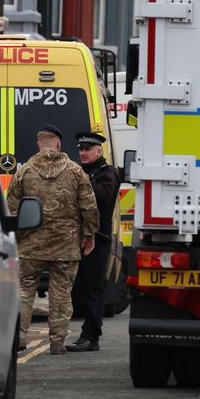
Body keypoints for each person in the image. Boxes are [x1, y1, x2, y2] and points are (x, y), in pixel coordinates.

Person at [7, 124, 99, 355]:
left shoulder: (24, 171)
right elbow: (89, 206)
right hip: (66, 246)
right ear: (58, 143)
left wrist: (15, 237)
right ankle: (57, 343)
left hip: (30, 245)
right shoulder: (76, 171)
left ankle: (18, 337)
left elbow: (11, 208)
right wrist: (89, 235)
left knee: (24, 290)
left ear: (40, 143)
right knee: (61, 293)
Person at [68, 131, 121, 353]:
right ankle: (85, 334)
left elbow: (104, 197)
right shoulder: (83, 172)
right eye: (81, 149)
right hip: (78, 237)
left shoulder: (107, 173)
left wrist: (83, 181)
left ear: (99, 151)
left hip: (98, 238)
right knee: (78, 287)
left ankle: (91, 336)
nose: (83, 153)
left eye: (88, 149)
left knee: (93, 288)